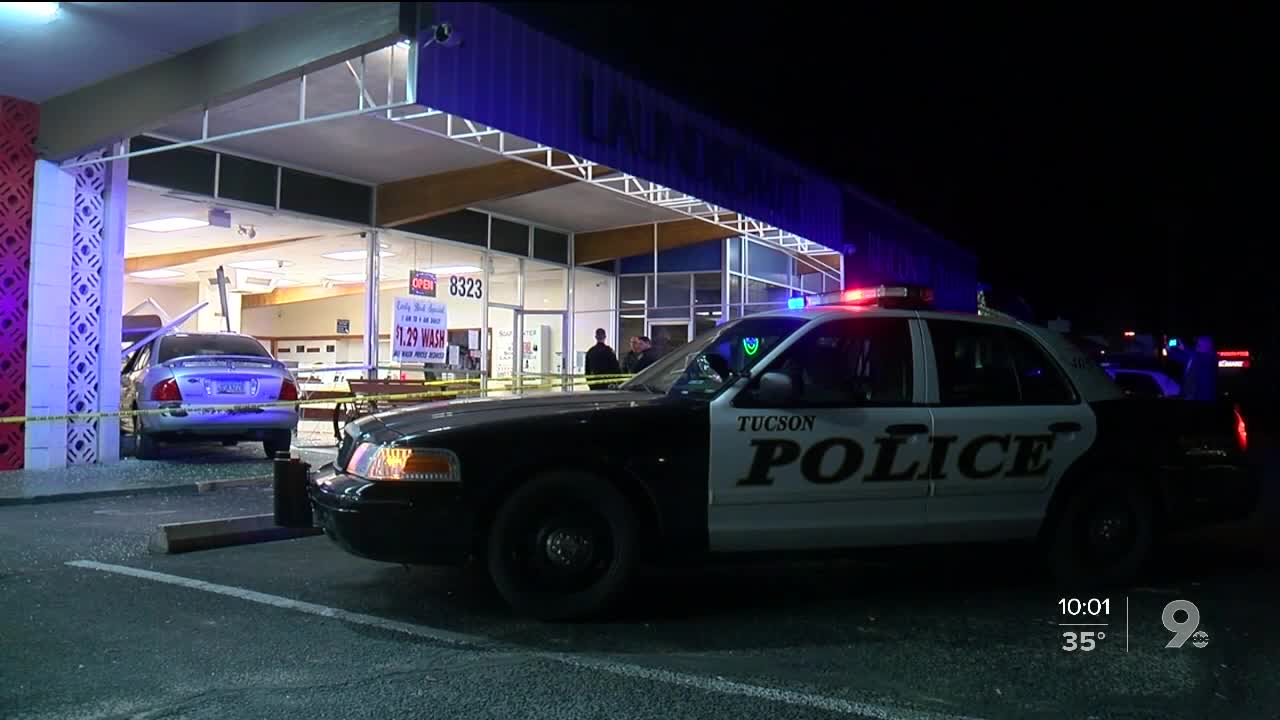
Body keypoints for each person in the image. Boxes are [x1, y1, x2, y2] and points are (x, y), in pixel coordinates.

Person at [1181, 335, 1218, 401]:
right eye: (1197, 344)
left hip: (1203, 396)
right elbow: (1179, 357)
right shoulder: (1194, 355)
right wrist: (1168, 349)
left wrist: (1184, 348)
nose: (1197, 346)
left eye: (1200, 345)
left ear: (1207, 346)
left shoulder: (1210, 358)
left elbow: (1201, 358)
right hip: (1189, 394)